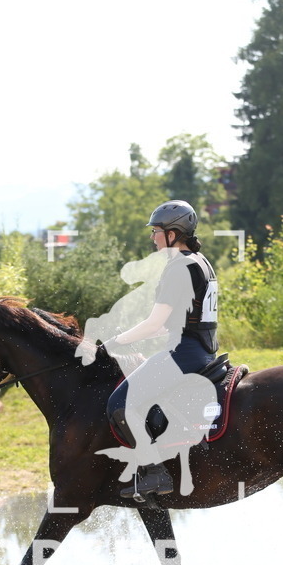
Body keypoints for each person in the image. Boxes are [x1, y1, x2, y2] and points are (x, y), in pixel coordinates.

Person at [101, 199, 219, 500]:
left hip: (184, 355)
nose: (152, 237)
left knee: (119, 404)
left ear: (174, 233)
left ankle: (155, 471)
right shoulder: (200, 261)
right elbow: (183, 318)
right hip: (201, 350)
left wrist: (114, 343)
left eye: (157, 231)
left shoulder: (179, 267)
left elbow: (154, 324)